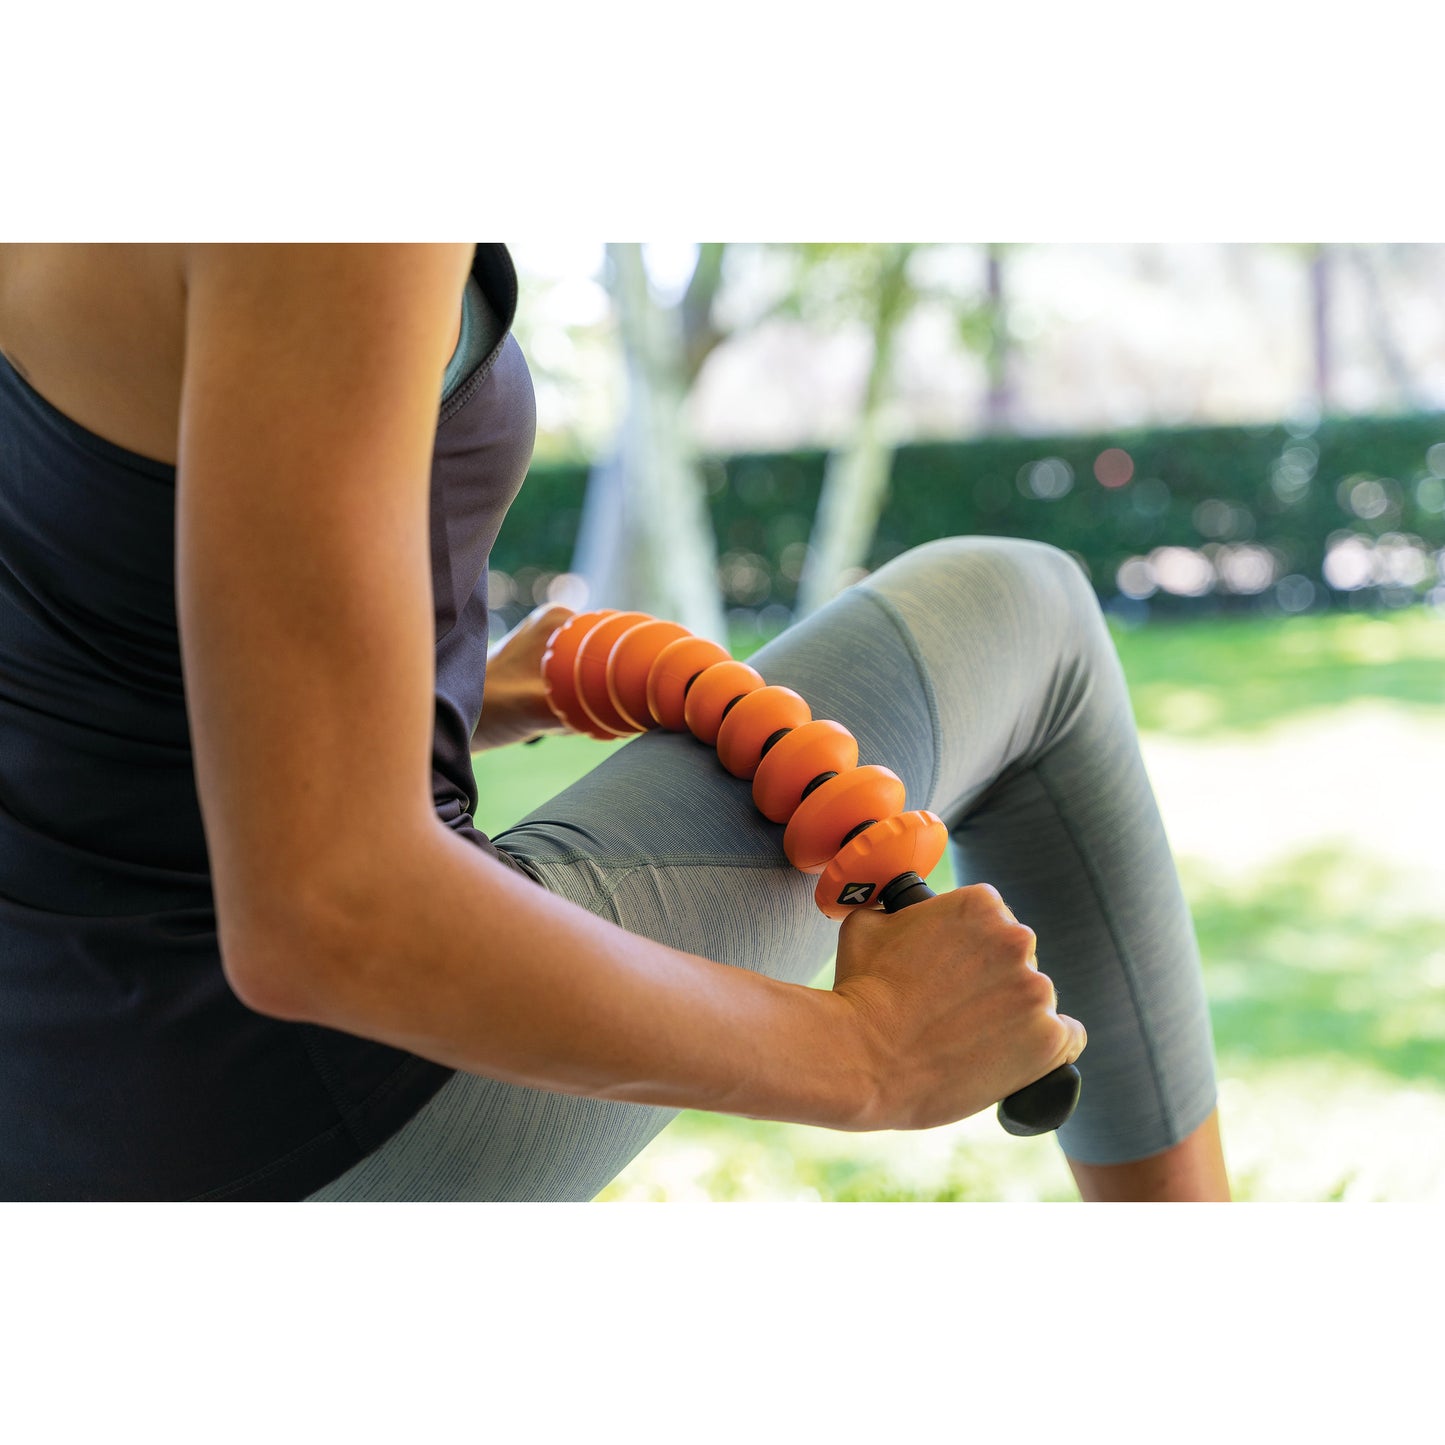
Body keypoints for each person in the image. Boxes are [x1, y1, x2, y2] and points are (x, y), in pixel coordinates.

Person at [0, 242, 1229, 1202]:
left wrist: (434, 695)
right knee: (1018, 609)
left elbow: (73, 629)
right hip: (282, 1111)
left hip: (49, 1111)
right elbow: (330, 915)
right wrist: (871, 1057)